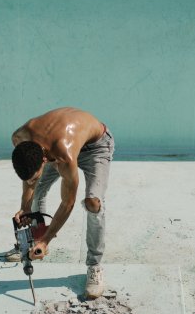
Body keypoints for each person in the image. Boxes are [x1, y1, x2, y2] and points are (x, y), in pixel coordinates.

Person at [6, 107, 115, 299]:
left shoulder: (64, 155)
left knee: (93, 203)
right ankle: (32, 242)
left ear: (45, 160)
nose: (31, 181)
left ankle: (94, 266)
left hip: (96, 146)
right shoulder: (19, 138)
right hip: (54, 144)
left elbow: (67, 203)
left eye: (36, 174)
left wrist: (46, 240)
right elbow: (29, 180)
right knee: (37, 191)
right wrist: (25, 208)